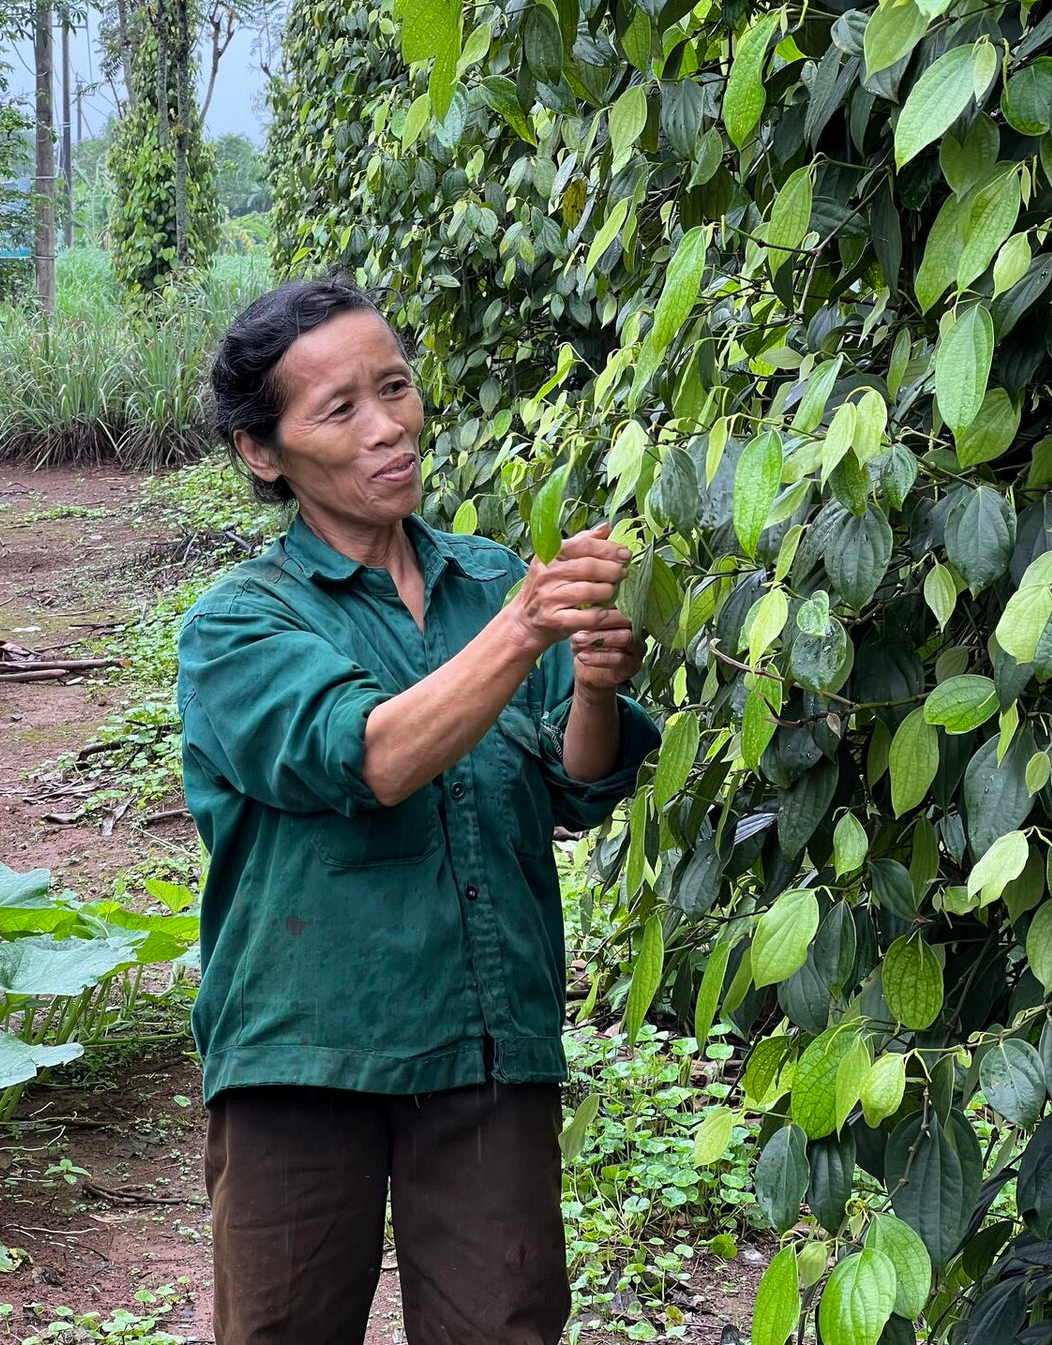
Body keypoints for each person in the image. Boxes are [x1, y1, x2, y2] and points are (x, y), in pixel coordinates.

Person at [177, 274, 660, 1345]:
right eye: (339, 409)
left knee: (505, 1327)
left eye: (394, 387)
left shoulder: (486, 580)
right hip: (303, 1054)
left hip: (485, 1043)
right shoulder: (237, 626)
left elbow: (575, 784)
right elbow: (374, 757)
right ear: (263, 451)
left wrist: (591, 687)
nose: (388, 426)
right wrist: (524, 629)